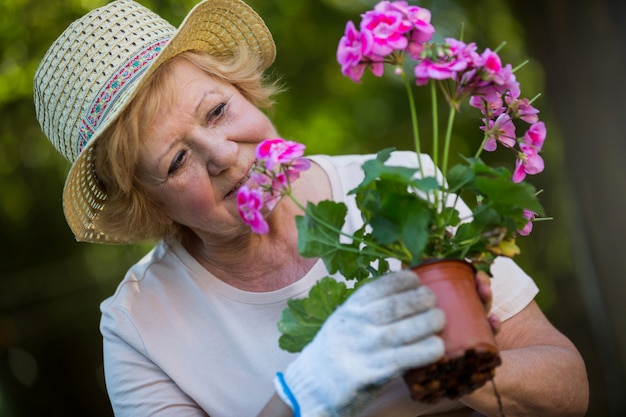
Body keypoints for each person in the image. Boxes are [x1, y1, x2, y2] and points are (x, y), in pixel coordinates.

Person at [33, 0, 589, 416]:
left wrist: (453, 367)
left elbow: (568, 387)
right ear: (145, 202)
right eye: (177, 161)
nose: (224, 155)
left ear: (244, 91)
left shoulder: (401, 183)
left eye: (218, 110)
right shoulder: (138, 328)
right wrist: (313, 390)